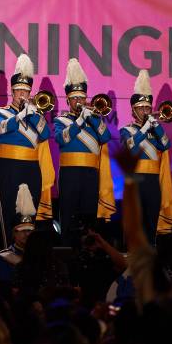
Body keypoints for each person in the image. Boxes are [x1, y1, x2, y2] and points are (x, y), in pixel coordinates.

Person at [53, 58, 113, 245]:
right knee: (68, 213)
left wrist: (93, 119)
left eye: (81, 98)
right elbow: (61, 140)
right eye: (75, 99)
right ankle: (66, 249)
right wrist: (79, 121)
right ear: (68, 100)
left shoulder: (94, 119)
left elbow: (105, 138)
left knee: (89, 216)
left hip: (90, 175)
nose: (79, 102)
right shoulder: (61, 120)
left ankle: (89, 252)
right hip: (70, 174)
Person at [0, 54, 51, 239]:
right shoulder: (1, 112)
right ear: (12, 91)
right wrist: (19, 116)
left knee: (30, 213)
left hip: (32, 168)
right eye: (18, 90)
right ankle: (7, 252)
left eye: (25, 91)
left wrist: (32, 114)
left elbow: (46, 135)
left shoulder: (35, 114)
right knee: (9, 211)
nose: (22, 95)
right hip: (9, 167)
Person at [118, 70, 172, 242]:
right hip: (135, 181)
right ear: (133, 111)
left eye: (147, 108)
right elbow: (130, 149)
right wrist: (144, 129)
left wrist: (156, 127)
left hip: (152, 182)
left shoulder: (155, 130)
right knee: (136, 224)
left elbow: (166, 145)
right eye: (141, 108)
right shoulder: (126, 130)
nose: (145, 111)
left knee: (151, 223)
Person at [0, 183, 35, 285]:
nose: (27, 234)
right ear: (14, 234)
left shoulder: (39, 254)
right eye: (22, 231)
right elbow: (5, 286)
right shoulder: (5, 256)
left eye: (29, 230)